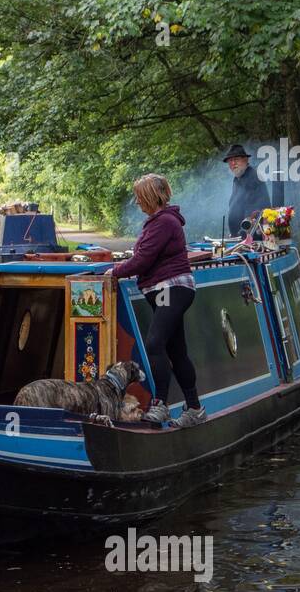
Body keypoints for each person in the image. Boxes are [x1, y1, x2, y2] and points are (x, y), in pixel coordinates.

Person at [105, 174, 205, 428]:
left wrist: (114, 271)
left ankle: (160, 405)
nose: (138, 203)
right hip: (167, 290)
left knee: (154, 343)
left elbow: (143, 260)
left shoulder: (163, 223)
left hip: (171, 288)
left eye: (140, 197)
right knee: (176, 351)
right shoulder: (160, 222)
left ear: (150, 196)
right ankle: (194, 408)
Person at [223, 144, 269, 237]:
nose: (233, 163)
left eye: (236, 159)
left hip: (252, 238)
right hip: (240, 237)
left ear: (245, 160)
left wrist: (243, 235)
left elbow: (253, 213)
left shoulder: (252, 177)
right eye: (230, 160)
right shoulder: (237, 179)